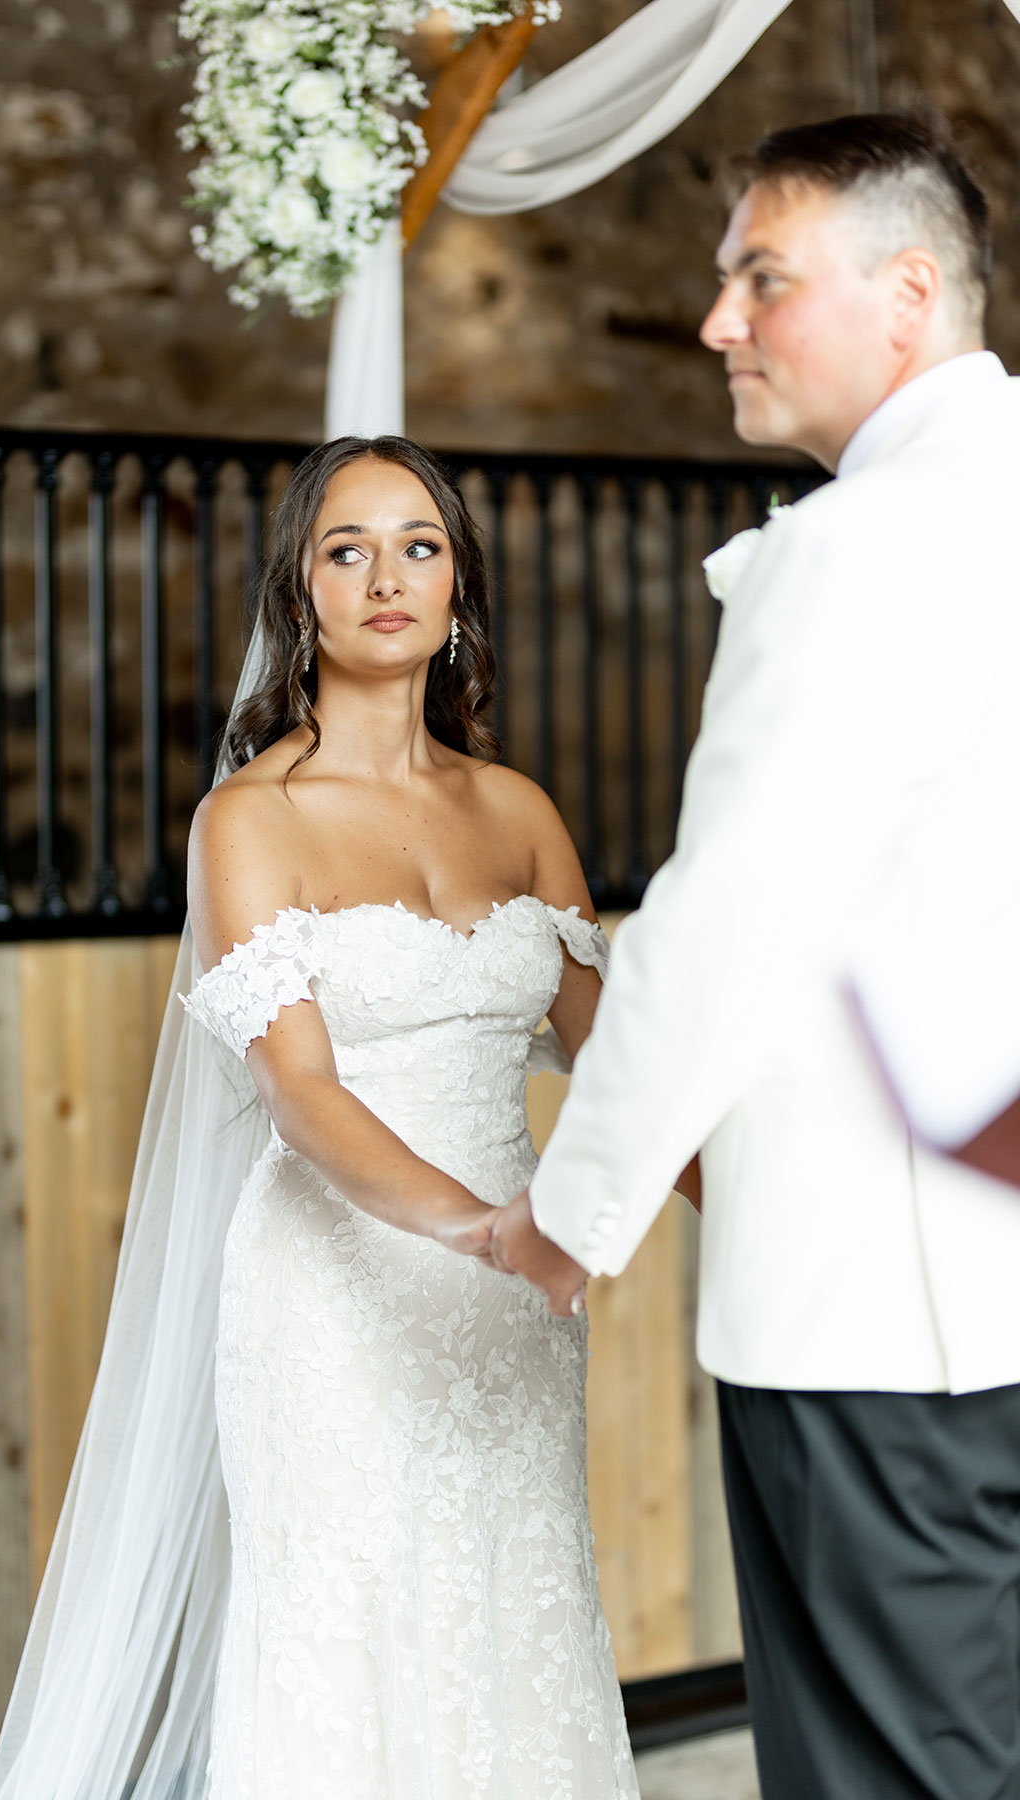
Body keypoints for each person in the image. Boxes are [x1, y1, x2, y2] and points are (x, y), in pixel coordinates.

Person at [450, 113, 1020, 1800]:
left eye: (759, 279)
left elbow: (732, 911)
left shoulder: (854, 547)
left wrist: (575, 1209)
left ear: (906, 292)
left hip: (882, 1299)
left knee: (889, 1772)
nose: (717, 323)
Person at [0, 433, 638, 1800]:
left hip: (512, 1310)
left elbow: (621, 1059)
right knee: (348, 1640)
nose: (386, 576)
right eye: (348, 549)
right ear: (301, 595)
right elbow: (302, 1090)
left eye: (421, 546)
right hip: (338, 1293)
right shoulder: (250, 819)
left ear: (458, 586)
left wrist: (742, 1192)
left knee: (513, 1612)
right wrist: (485, 1230)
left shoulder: (521, 812)